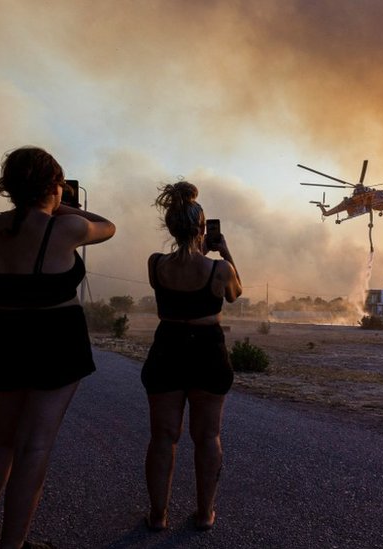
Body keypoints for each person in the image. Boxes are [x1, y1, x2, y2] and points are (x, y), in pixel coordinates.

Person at [0, 147, 115, 549]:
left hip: (7, 334)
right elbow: (108, 226)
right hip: (56, 338)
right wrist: (63, 207)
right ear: (54, 185)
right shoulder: (66, 229)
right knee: (36, 445)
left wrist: (50, 202)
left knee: (4, 438)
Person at [142, 181, 242, 532]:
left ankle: (158, 516)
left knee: (163, 437)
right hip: (207, 350)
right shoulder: (218, 270)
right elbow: (235, 293)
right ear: (203, 229)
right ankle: (204, 514)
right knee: (208, 436)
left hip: (166, 348)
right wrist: (224, 250)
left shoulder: (156, 265)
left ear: (169, 226)